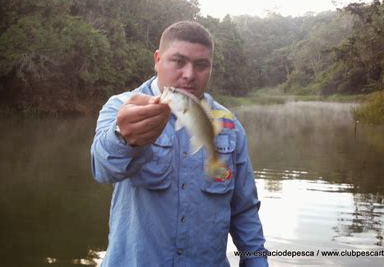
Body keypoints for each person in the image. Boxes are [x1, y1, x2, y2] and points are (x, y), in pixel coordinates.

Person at [90, 21, 268, 266]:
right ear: (157, 59)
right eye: (178, 61)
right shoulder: (123, 107)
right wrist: (124, 138)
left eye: (201, 65)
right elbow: (102, 169)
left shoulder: (229, 125)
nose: (189, 75)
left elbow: (244, 211)